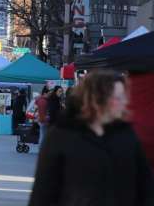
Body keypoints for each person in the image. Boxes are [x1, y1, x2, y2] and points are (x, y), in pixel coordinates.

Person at [29, 70, 154, 206]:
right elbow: (43, 191)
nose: (125, 102)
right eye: (118, 98)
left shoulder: (126, 134)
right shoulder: (62, 135)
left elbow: (145, 185)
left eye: (124, 97)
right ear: (97, 99)